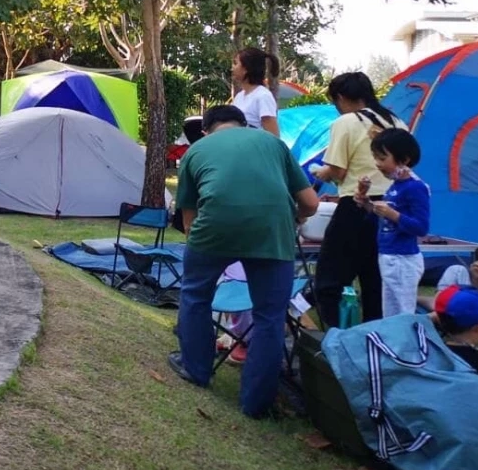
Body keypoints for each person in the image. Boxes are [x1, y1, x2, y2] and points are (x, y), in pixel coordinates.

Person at [168, 104, 319, 419]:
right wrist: (294, 218)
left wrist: (202, 248)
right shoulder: (273, 143)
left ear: (206, 130)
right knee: (269, 316)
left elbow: (189, 221)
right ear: (244, 125)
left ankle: (196, 369)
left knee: (196, 295)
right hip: (272, 230)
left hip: (214, 228)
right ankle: (256, 403)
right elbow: (310, 203)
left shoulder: (197, 151)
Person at [309, 71, 407, 328]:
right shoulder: (397, 122)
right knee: (375, 277)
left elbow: (338, 171)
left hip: (358, 204)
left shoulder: (347, 122)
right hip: (395, 204)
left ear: (341, 97)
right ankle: (375, 333)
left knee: (330, 278)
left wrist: (322, 172)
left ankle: (337, 334)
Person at [362, 127, 430, 318]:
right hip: (388, 255)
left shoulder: (415, 188)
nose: (377, 164)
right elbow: (385, 221)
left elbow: (421, 227)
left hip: (403, 259)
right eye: (375, 158)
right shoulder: (395, 187)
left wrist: (393, 214)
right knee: (390, 313)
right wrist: (367, 204)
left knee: (404, 313)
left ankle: (410, 337)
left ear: (404, 160)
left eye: (382, 158)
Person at [230, 46, 280, 135]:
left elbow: (273, 136)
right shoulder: (239, 96)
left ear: (246, 69)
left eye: (236, 63)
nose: (232, 68)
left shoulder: (263, 96)